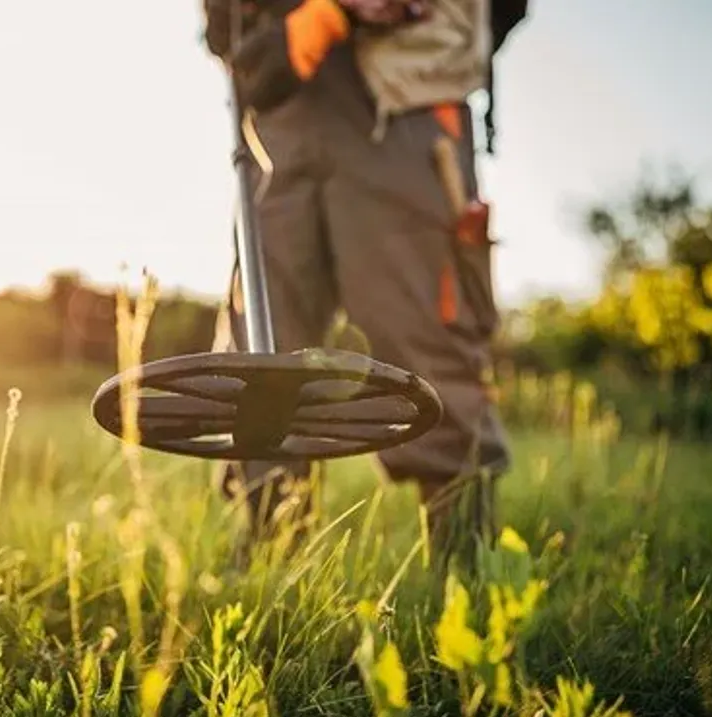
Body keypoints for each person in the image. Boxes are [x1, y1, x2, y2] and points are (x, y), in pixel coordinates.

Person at [200, 0, 528, 569]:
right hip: (282, 91)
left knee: (431, 328)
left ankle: (467, 572)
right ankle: (269, 564)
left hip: (408, 97)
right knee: (264, 343)